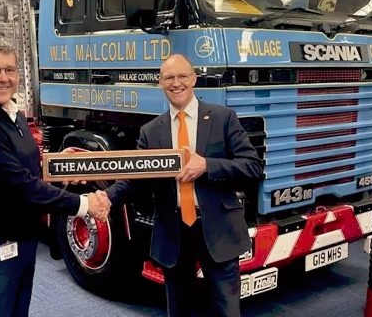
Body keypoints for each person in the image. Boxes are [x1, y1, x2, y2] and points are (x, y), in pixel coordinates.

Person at [0, 37, 110, 316]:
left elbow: (23, 167)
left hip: (21, 243)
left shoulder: (10, 113)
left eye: (10, 70)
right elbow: (20, 186)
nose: (4, 78)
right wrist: (84, 205)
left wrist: (59, 170)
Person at [105, 54, 263, 316]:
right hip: (173, 233)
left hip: (219, 230)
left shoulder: (223, 118)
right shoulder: (150, 131)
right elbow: (136, 181)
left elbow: (252, 167)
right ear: (160, 83)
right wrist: (105, 197)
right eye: (168, 77)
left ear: (194, 79)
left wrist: (208, 166)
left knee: (227, 311)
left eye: (182, 76)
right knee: (178, 310)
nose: (175, 83)